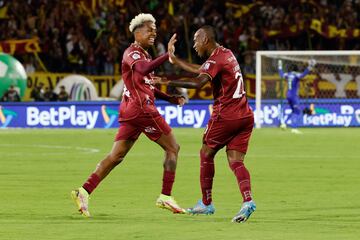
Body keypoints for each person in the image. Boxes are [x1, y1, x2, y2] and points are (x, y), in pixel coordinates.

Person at [71, 13, 186, 217]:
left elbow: (147, 84)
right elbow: (142, 70)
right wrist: (167, 56)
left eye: (155, 31)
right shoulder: (132, 53)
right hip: (142, 110)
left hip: (131, 110)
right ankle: (166, 196)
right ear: (137, 32)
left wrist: (170, 98)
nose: (153, 33)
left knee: (116, 156)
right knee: (173, 148)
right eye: (149, 30)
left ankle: (83, 191)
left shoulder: (145, 55)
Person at [164, 25, 256, 223]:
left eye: (196, 40)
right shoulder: (226, 54)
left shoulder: (215, 59)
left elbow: (199, 82)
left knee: (206, 153)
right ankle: (248, 201)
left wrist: (170, 82)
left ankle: (206, 203)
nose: (195, 45)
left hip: (226, 115)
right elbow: (202, 70)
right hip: (245, 115)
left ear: (205, 39)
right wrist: (175, 60)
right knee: (236, 161)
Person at [278, 59, 316, 134]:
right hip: (293, 96)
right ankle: (294, 128)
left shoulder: (287, 75)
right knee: (297, 111)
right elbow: (303, 75)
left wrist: (280, 67)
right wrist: (310, 67)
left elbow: (281, 74)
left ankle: (284, 123)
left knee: (294, 111)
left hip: (288, 95)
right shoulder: (296, 75)